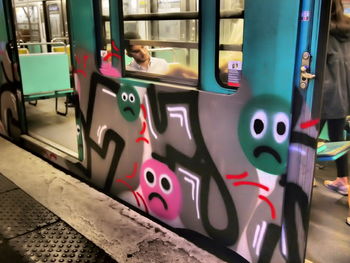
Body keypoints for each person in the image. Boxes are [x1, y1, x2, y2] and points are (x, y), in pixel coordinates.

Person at [321, 0, 350, 196]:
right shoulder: (347, 32)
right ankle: (343, 180)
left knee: (306, 138)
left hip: (322, 98)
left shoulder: (321, 32)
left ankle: (303, 179)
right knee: (337, 138)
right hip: (343, 95)